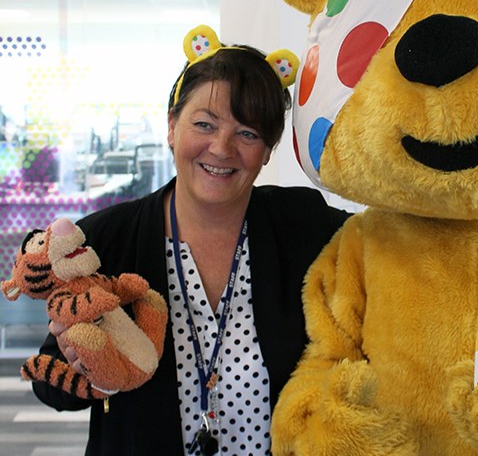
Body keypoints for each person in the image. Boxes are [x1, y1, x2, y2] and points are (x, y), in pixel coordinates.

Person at [31, 26, 351, 456]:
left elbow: (398, 240)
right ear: (171, 127)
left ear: (268, 150)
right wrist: (88, 370)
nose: (221, 148)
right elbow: (49, 386)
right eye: (204, 123)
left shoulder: (303, 226)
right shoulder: (106, 239)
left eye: (248, 134)